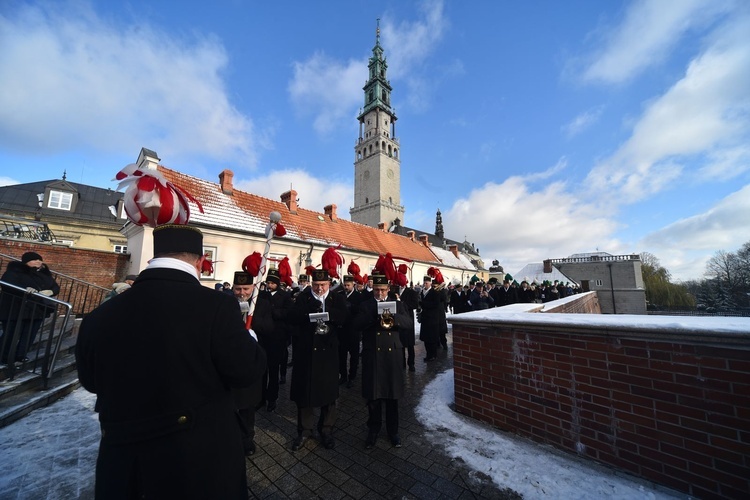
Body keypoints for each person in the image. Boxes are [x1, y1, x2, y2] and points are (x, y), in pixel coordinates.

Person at [75, 224, 266, 499]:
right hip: (197, 460)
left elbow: (91, 382)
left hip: (126, 462)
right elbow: (246, 371)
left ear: (154, 257)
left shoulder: (98, 316)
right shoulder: (218, 306)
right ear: (200, 261)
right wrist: (250, 340)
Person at [289, 268, 348, 451]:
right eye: (316, 285)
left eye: (322, 285)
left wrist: (327, 313)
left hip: (327, 352)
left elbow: (345, 317)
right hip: (306, 352)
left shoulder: (337, 297)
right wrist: (308, 312)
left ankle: (326, 430)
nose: (319, 288)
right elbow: (293, 317)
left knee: (328, 394)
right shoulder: (303, 297)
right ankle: (305, 430)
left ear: (329, 284)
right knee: (304, 394)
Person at [354, 274, 413, 449]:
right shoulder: (366, 304)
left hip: (392, 354)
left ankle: (393, 431)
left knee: (392, 396)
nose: (379, 293)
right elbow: (356, 324)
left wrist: (393, 317)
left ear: (388, 290)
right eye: (376, 290)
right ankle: (373, 430)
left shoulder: (398, 304)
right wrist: (373, 314)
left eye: (382, 290)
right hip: (373, 353)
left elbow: (409, 323)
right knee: (374, 396)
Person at [231, 270, 271, 456]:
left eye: (245, 288)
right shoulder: (226, 304)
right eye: (238, 289)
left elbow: (270, 327)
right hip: (231, 362)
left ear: (253, 287)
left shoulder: (261, 304)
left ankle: (247, 438)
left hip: (252, 361)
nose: (241, 293)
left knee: (247, 404)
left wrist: (253, 328)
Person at [0, 251, 60, 364]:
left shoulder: (45, 274)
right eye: (34, 260)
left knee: (29, 334)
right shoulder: (14, 272)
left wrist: (50, 291)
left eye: (39, 259)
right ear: (26, 262)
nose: (38, 261)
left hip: (37, 309)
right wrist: (25, 289)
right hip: (15, 308)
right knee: (10, 333)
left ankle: (20, 355)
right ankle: (3, 356)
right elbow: (7, 285)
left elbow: (55, 287)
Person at [259, 268, 292, 412]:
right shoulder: (262, 295)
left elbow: (288, 313)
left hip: (277, 336)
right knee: (261, 370)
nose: (269, 285)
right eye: (268, 282)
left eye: (272, 283)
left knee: (273, 370)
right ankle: (260, 397)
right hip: (262, 336)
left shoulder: (285, 296)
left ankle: (272, 398)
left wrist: (273, 312)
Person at [337, 275, 362, 387]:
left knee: (354, 355)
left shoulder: (358, 296)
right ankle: (343, 375)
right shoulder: (340, 296)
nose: (346, 287)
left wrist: (352, 306)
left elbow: (361, 311)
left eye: (348, 285)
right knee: (341, 355)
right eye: (345, 285)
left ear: (353, 285)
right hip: (342, 330)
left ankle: (352, 376)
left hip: (353, 330)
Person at [418, 275, 444, 362]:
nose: (425, 284)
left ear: (430, 283)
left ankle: (433, 355)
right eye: (424, 283)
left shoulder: (435, 292)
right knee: (426, 338)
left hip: (433, 319)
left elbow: (436, 305)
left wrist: (424, 304)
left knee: (432, 338)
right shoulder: (422, 292)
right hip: (425, 318)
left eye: (427, 283)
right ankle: (428, 354)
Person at [397, 281, 419, 371]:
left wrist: (401, 303)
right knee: (400, 343)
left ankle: (411, 363)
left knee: (410, 344)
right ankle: (401, 363)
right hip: (398, 320)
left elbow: (415, 305)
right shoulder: (394, 291)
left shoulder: (411, 292)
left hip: (408, 319)